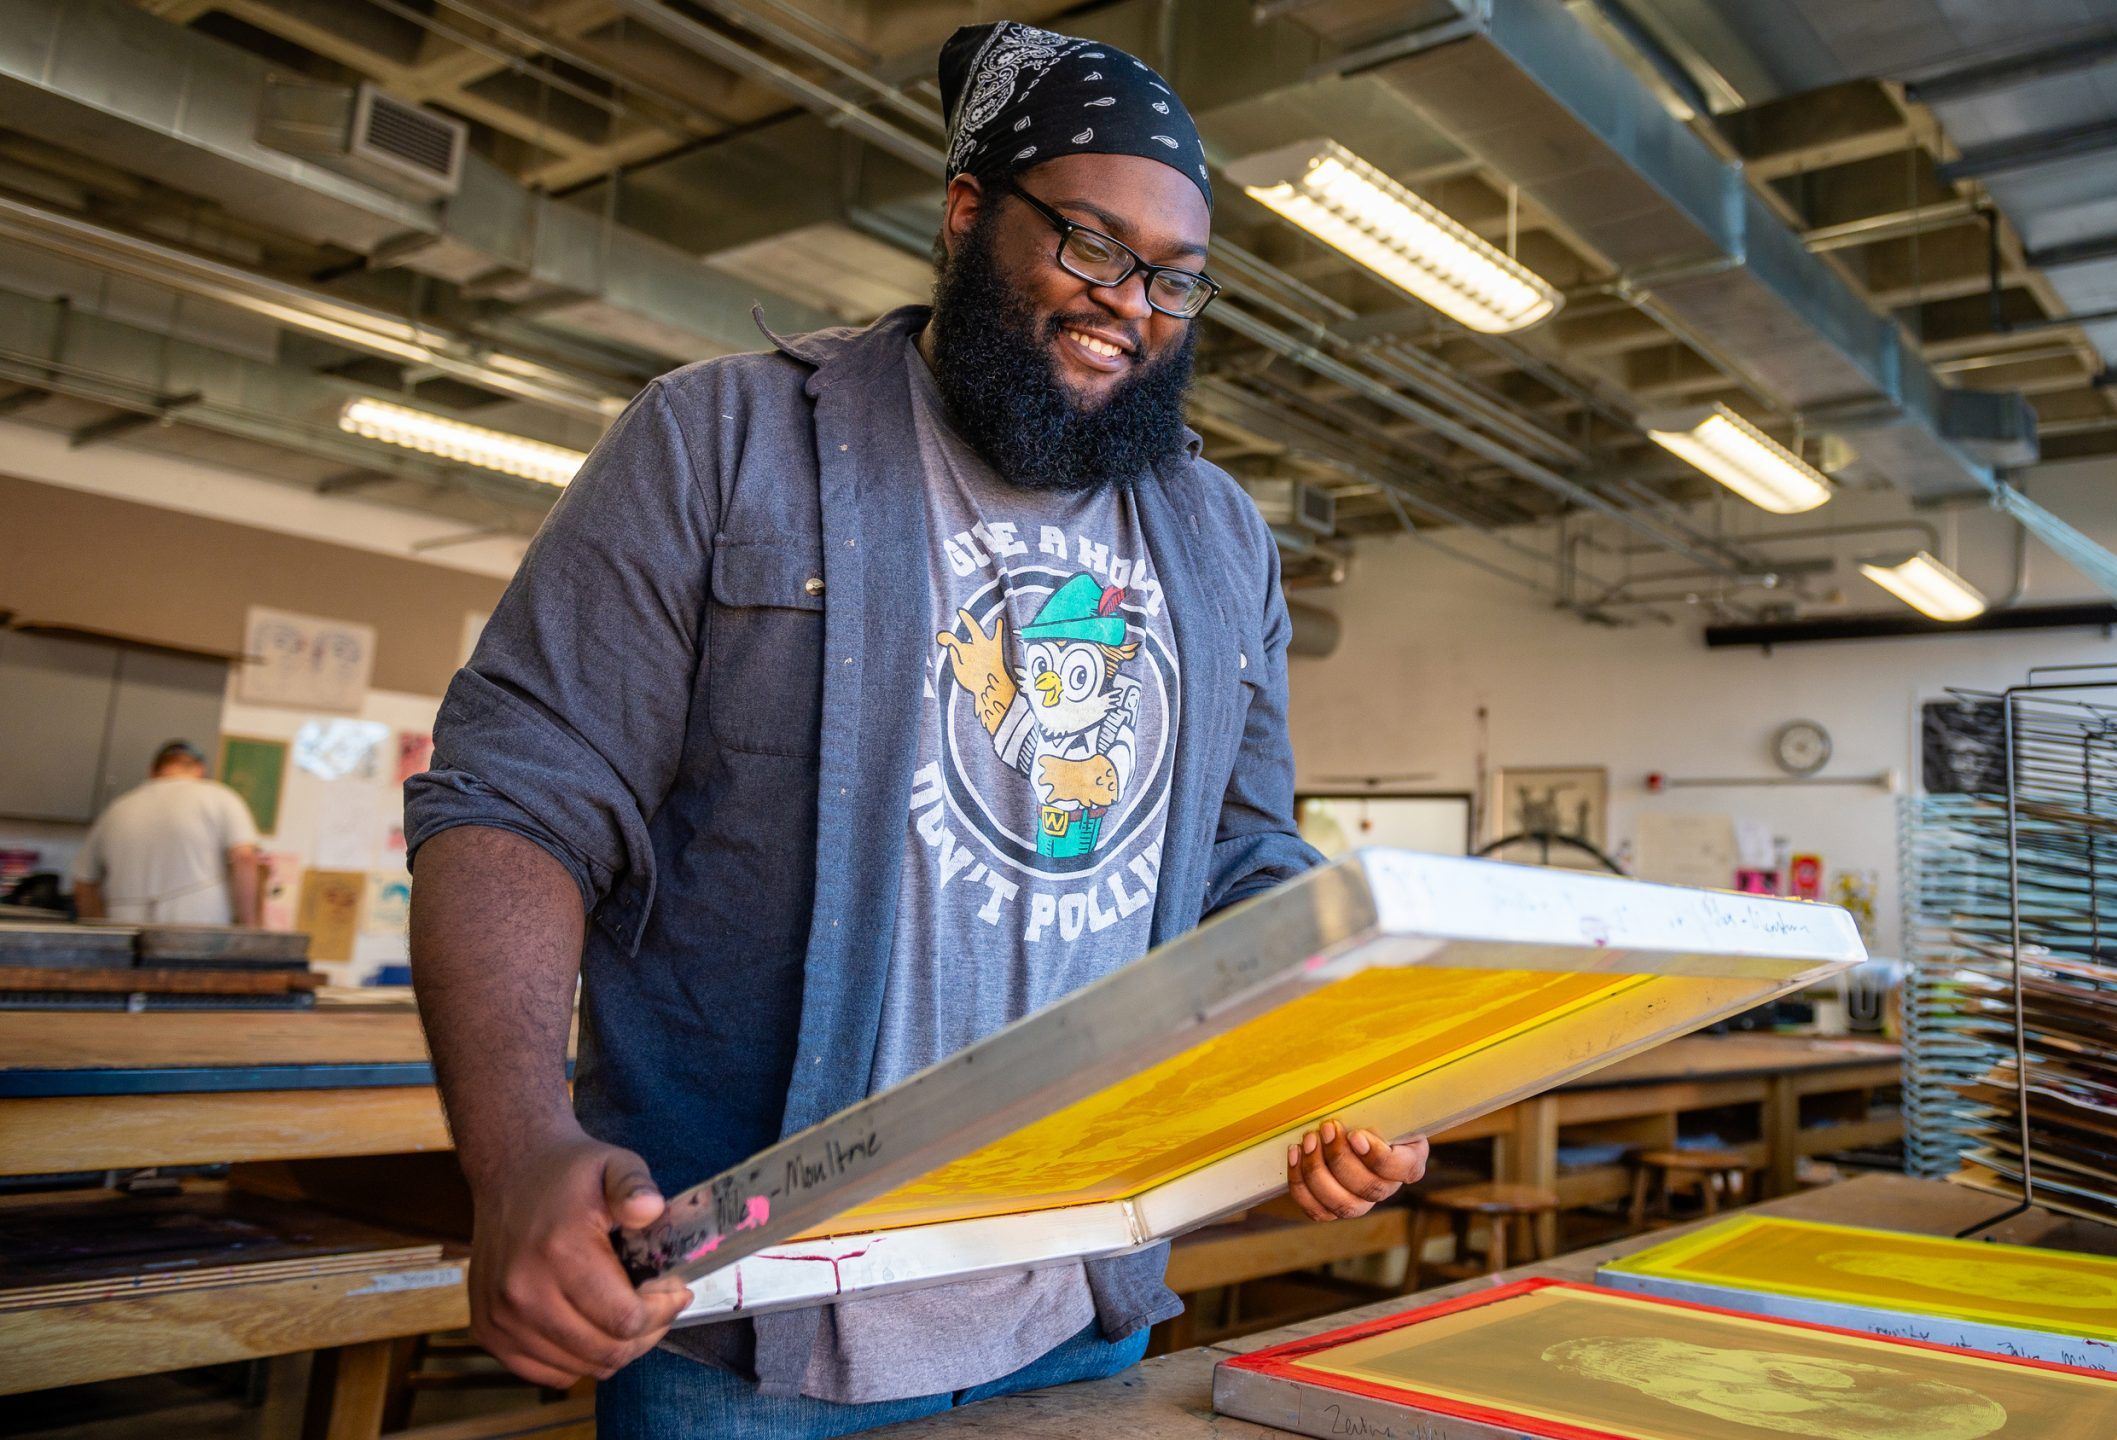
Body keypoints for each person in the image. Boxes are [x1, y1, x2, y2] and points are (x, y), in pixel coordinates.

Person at [403, 21, 1427, 1437]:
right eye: (1087, 243)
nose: (1127, 301)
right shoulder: (720, 444)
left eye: (1174, 278)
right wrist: (516, 1151)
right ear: (965, 211)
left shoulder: (1217, 537)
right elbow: (519, 795)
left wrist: (1345, 1062)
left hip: (1076, 1301)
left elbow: (1241, 859)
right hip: (749, 1323)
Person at [73, 739, 260, 926]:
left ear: (153, 771)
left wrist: (102, 935)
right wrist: (249, 926)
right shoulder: (221, 797)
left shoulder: (116, 809)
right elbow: (244, 859)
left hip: (126, 929)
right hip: (198, 925)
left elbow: (83, 884)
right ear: (201, 769)